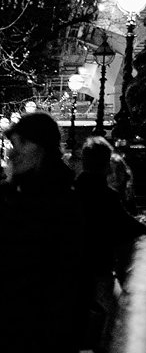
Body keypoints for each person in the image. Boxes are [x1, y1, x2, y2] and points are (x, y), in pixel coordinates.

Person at [0, 111, 95, 352]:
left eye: (21, 143)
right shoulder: (33, 193)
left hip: (35, 327)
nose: (12, 152)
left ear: (41, 148)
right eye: (13, 144)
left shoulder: (52, 202)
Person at [74, 135, 146, 347]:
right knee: (120, 317)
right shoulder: (106, 196)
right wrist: (143, 225)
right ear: (105, 163)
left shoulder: (74, 192)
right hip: (99, 269)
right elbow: (125, 226)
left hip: (76, 269)